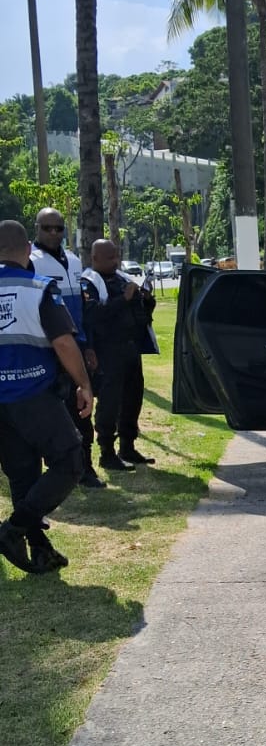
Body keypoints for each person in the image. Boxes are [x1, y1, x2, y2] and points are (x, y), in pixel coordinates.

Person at [0, 219, 93, 574]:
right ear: (28, 250)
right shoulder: (38, 287)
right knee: (70, 461)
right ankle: (13, 530)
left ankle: (40, 549)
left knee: (22, 474)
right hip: (33, 394)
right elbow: (64, 343)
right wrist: (84, 384)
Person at [31, 206, 104, 489]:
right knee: (48, 412)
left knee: (82, 410)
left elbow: (81, 311)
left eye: (58, 228)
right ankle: (53, 469)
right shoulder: (30, 261)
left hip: (76, 348)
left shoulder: (73, 261)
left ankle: (85, 468)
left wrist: (88, 346)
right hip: (47, 351)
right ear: (36, 229)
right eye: (46, 228)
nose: (53, 233)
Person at [81, 239, 158, 472]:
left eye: (116, 256)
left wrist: (146, 300)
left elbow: (142, 313)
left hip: (131, 349)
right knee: (110, 402)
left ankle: (128, 446)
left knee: (133, 399)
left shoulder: (123, 279)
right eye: (109, 257)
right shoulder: (89, 282)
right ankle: (107, 452)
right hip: (108, 351)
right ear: (95, 258)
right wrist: (123, 299)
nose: (115, 261)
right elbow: (93, 315)